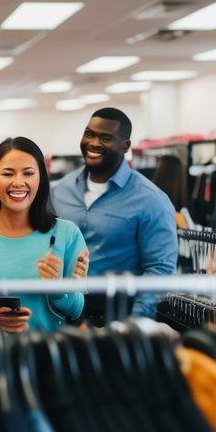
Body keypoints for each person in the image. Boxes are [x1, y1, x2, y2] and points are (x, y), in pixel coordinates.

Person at [0, 137, 89, 334]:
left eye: (28, 173)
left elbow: (76, 309)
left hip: (49, 355)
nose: (18, 182)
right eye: (8, 173)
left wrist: (57, 289)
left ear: (41, 178)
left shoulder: (67, 234)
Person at [51, 107, 178, 323]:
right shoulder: (59, 190)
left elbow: (159, 270)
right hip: (61, 313)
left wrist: (136, 322)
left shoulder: (151, 200)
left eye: (105, 137)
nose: (93, 143)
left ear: (125, 145)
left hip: (115, 315)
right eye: (89, 133)